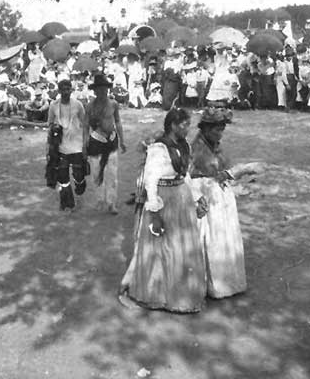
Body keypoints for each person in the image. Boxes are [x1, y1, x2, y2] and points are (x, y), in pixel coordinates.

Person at [119, 108, 208, 312]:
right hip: (163, 198)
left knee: (180, 246)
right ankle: (159, 294)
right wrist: (155, 212)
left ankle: (181, 295)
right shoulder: (159, 149)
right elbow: (151, 181)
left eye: (189, 124)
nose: (188, 128)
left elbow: (185, 175)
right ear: (173, 125)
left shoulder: (184, 145)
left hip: (182, 198)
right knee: (162, 249)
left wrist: (197, 196)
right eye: (184, 125)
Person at [190, 107, 247, 299]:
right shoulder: (196, 149)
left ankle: (228, 281)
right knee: (210, 238)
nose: (219, 133)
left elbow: (225, 166)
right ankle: (212, 284)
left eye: (222, 129)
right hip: (205, 195)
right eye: (216, 129)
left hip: (221, 196)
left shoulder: (217, 145)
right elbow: (189, 177)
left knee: (224, 236)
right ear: (205, 129)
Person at [84, 74, 126, 214]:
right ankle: (100, 200)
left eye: (104, 89)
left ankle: (111, 202)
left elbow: (118, 122)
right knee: (96, 173)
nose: (102, 92)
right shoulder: (90, 106)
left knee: (112, 174)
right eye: (99, 90)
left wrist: (122, 140)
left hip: (112, 140)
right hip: (96, 141)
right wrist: (84, 145)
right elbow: (85, 126)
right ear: (95, 91)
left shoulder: (113, 104)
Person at [47, 80, 87, 211]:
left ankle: (80, 185)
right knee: (63, 176)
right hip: (60, 146)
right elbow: (50, 125)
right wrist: (48, 146)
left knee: (78, 175)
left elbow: (85, 125)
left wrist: (86, 144)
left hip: (76, 145)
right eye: (63, 89)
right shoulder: (53, 105)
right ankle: (68, 202)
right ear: (59, 91)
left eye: (68, 89)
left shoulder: (78, 105)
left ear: (71, 90)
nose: (66, 92)